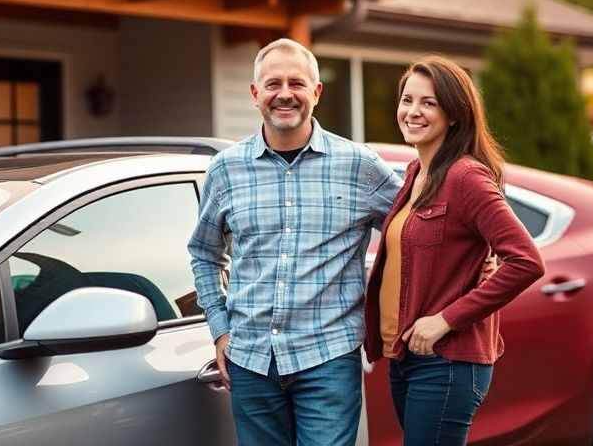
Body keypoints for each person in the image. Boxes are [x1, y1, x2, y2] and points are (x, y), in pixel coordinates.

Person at [187, 38, 402, 445]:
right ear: (255, 94)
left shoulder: (359, 166)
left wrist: (475, 255)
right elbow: (203, 252)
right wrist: (220, 329)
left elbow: (417, 228)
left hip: (328, 359)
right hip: (250, 362)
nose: (285, 94)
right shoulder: (226, 170)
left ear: (316, 92)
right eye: (272, 84)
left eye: (297, 83)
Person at [363, 56, 545, 445]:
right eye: (407, 100)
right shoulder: (416, 172)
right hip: (406, 356)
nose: (413, 112)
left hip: (447, 361)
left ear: (454, 114)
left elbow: (526, 260)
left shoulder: (466, 176)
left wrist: (447, 318)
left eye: (428, 103)